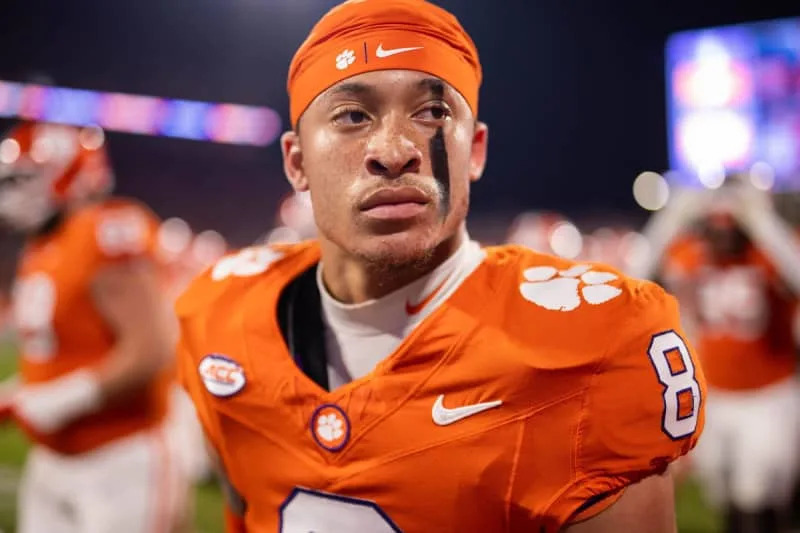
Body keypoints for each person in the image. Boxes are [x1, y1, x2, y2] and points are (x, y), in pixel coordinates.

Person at [176, 1, 706, 531]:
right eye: (352, 116)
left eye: (432, 112)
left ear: (474, 151)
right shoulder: (222, 312)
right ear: (297, 163)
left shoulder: (593, 341)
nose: (392, 151)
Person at [0, 121, 190, 533]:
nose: (13, 193)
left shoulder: (107, 230)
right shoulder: (41, 246)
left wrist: (64, 399)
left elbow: (152, 348)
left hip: (118, 456)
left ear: (70, 174)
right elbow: (62, 352)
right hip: (51, 458)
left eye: (26, 178)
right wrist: (20, 393)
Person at [637, 177, 800, 533]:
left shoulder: (768, 255)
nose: (722, 236)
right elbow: (635, 275)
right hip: (715, 394)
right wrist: (670, 217)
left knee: (758, 495)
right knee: (722, 495)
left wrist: (761, 220)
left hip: (768, 395)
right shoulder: (691, 255)